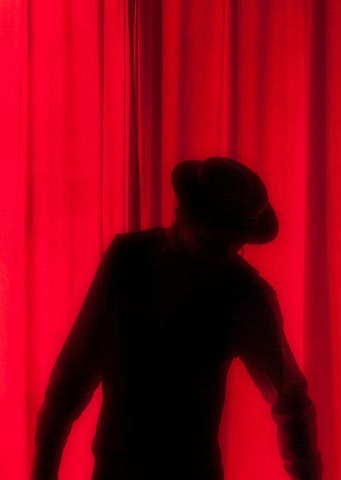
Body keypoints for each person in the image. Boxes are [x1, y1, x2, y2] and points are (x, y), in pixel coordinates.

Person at [32, 158, 321, 480]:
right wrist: (44, 466)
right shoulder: (126, 262)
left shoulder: (246, 296)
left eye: (236, 243)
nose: (226, 253)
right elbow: (75, 371)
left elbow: (291, 404)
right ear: (181, 217)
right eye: (215, 241)